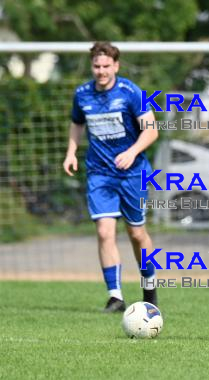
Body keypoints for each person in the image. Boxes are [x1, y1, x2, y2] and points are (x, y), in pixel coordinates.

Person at [63, 42, 158, 312]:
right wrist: (71, 152)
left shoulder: (131, 92)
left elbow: (151, 130)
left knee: (137, 233)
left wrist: (132, 151)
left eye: (106, 66)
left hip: (132, 173)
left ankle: (149, 286)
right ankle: (115, 296)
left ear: (116, 65)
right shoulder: (82, 94)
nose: (101, 71)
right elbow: (77, 124)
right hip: (99, 173)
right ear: (91, 66)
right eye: (96, 66)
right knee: (105, 232)